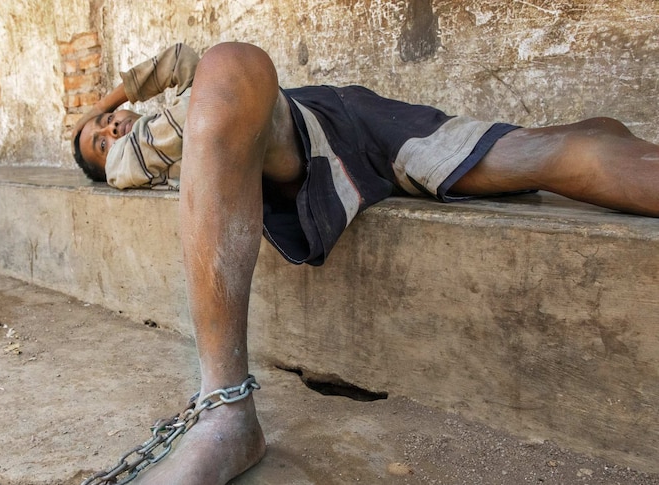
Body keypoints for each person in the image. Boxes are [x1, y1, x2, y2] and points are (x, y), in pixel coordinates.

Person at [72, 42, 659, 484]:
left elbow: (173, 60)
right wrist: (116, 130)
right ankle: (226, 411)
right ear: (109, 168)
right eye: (99, 140)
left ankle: (586, 138)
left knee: (552, 154)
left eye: (107, 121)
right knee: (229, 61)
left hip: (344, 112)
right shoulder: (133, 158)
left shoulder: (146, 109)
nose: (110, 127)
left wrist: (99, 103)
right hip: (296, 145)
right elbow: (202, 97)